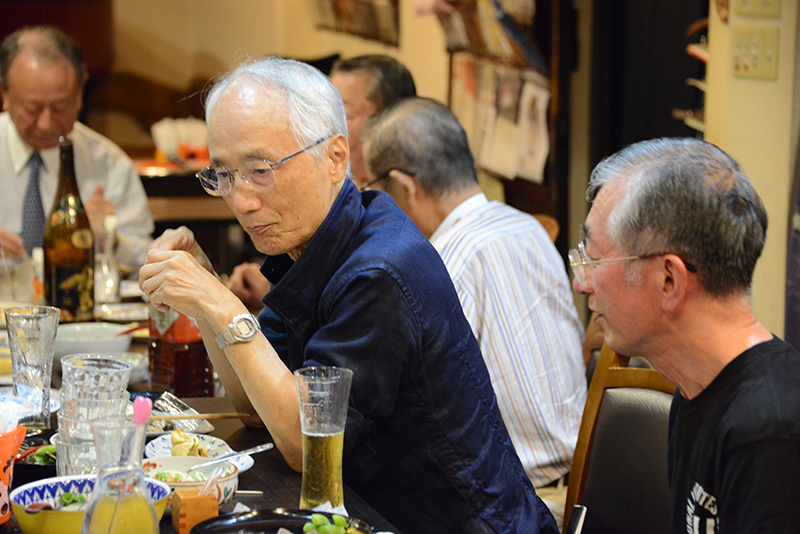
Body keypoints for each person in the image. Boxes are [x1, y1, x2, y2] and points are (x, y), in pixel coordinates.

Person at [139, 56, 558, 534]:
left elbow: (305, 446)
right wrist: (206, 294)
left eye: (260, 170)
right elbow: (258, 407)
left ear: (335, 157)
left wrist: (219, 304)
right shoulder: (311, 244)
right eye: (224, 175)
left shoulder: (379, 271)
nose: (241, 200)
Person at [362, 97, 587, 519]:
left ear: (405, 187)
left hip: (518, 504)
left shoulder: (439, 262)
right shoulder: (528, 227)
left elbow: (416, 411)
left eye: (372, 188)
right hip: (581, 483)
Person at [571, 137, 800, 533]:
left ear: (669, 280)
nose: (581, 283)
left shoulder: (769, 435)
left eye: (593, 259)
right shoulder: (696, 389)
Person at [227, 54, 417, 311]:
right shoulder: (333, 190)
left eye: (341, 113)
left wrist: (224, 308)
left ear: (391, 121)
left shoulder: (399, 209)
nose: (319, 127)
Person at [0, 26, 153, 271]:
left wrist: (109, 238)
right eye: (32, 109)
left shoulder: (109, 164)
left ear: (80, 95)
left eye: (60, 107)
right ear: (5, 95)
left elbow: (145, 260)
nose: (46, 124)